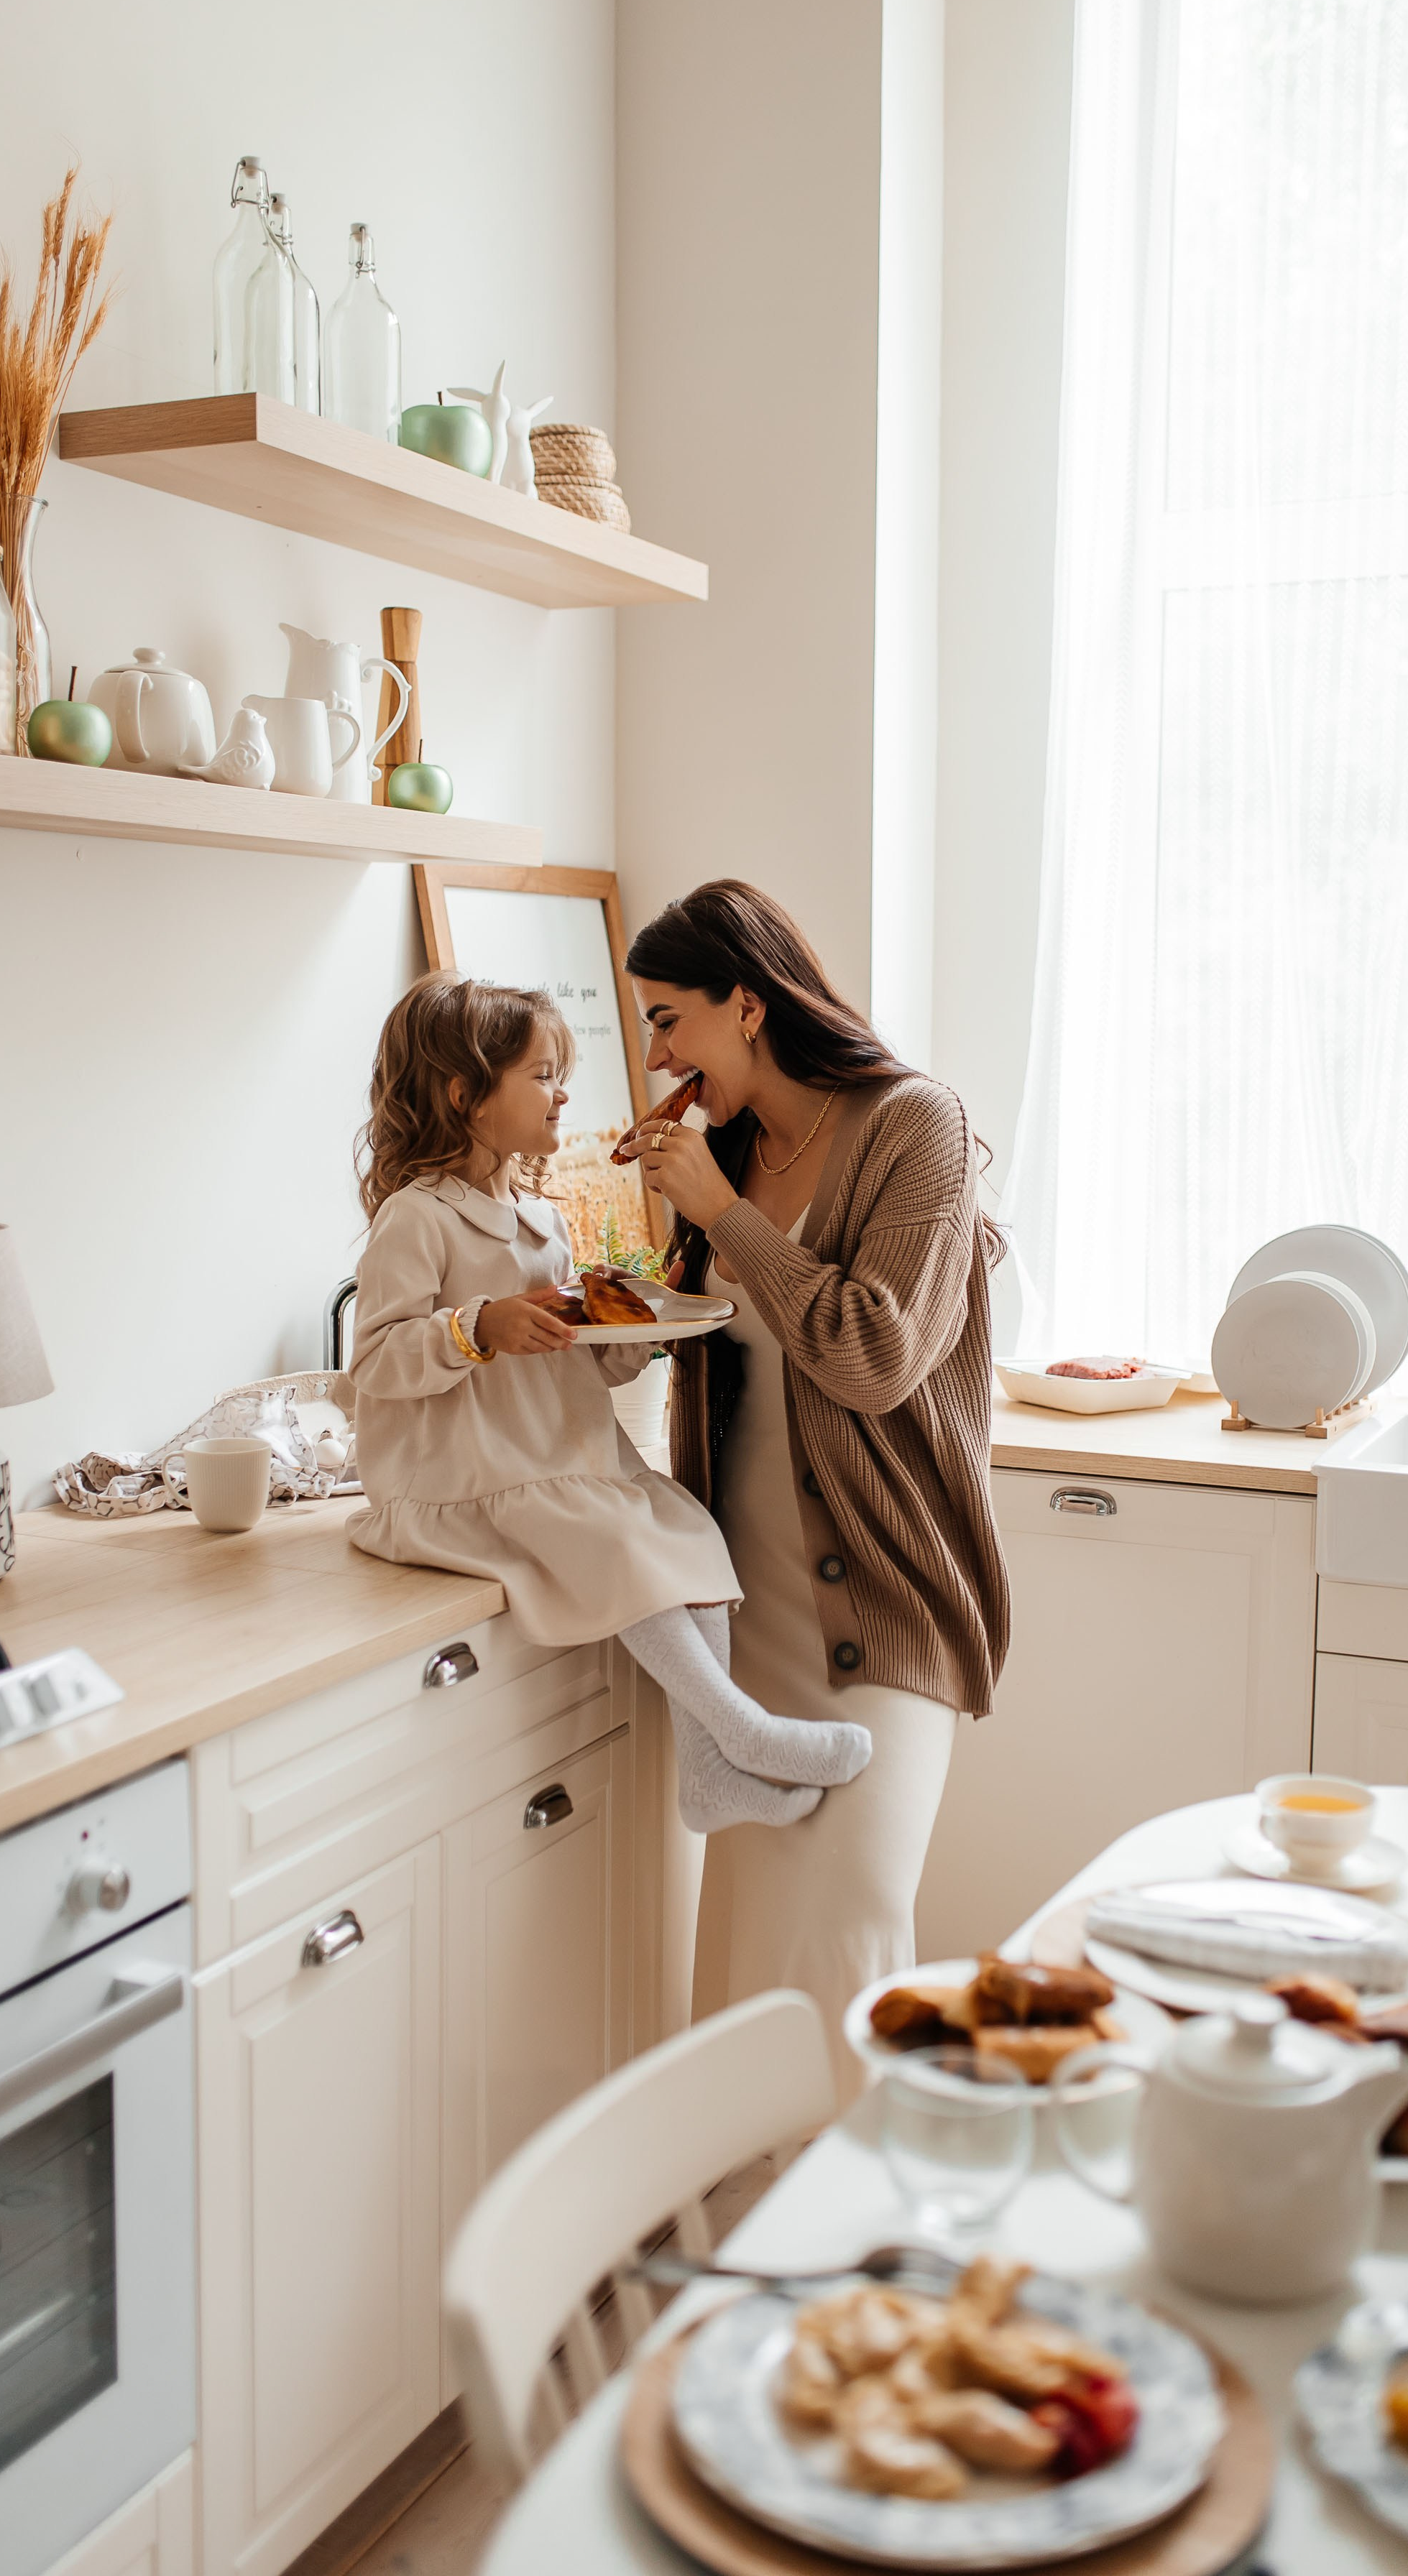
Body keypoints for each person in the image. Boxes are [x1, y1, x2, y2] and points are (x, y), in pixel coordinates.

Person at [621, 882, 1009, 2093]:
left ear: (749, 1005)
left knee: (847, 1942)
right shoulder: (725, 1152)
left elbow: (871, 1355)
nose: (656, 1054)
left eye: (670, 1019)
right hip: (746, 1616)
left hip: (878, 1609)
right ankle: (739, 2245)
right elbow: (709, 1341)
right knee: (745, 1959)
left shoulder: (915, 1126)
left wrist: (723, 1216)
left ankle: (859, 2247)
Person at [346, 972, 873, 1829]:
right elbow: (375, 1359)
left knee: (689, 1530)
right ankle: (743, 1730)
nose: (564, 1094)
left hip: (557, 1465)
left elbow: (571, 1364)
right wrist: (479, 1326)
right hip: (463, 1484)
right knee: (627, 1544)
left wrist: (636, 1331)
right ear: (465, 1096)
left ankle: (710, 1771)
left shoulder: (540, 1222)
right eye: (542, 1075)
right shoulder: (419, 1218)